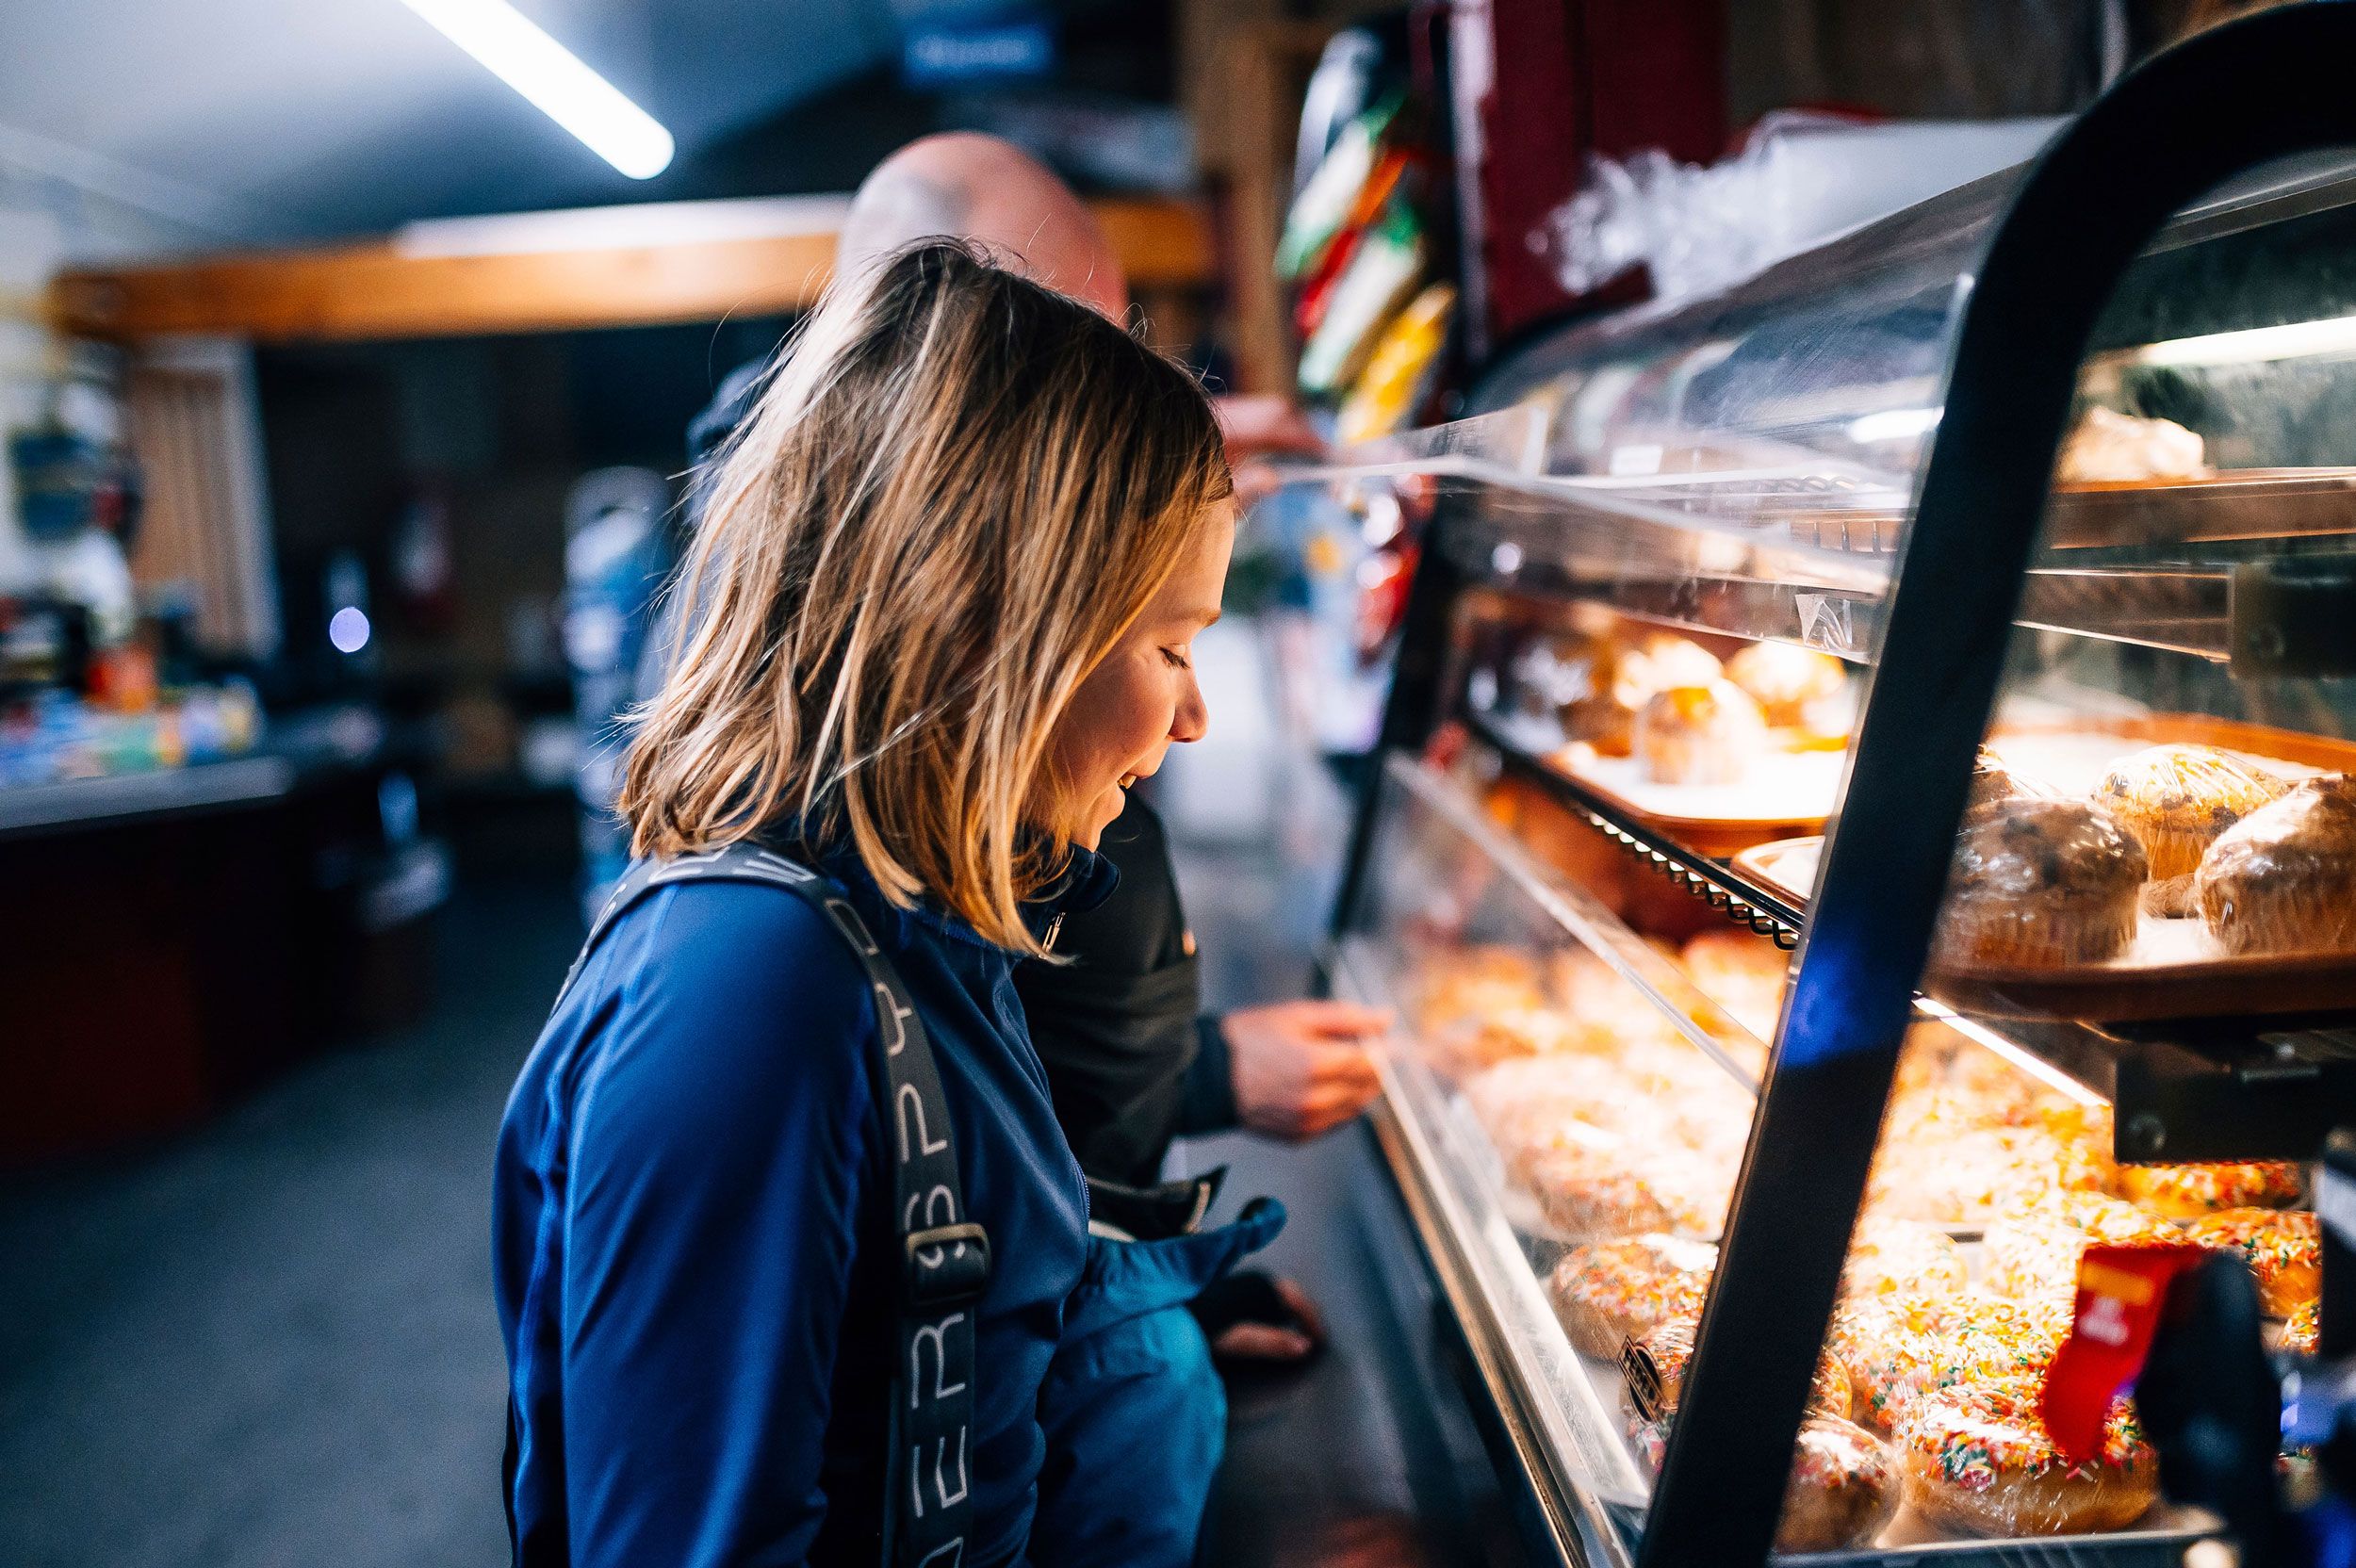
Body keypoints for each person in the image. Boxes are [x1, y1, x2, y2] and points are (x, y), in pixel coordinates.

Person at [496, 242, 1272, 1567]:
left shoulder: (928, 923)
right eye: (1170, 644)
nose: (1192, 714)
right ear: (1001, 627)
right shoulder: (749, 986)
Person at [682, 133, 1385, 1361]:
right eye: (1071, 378)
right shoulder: (787, 947)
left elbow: (991, 1158)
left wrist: (1126, 1284)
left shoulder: (937, 863)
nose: (1188, 717)